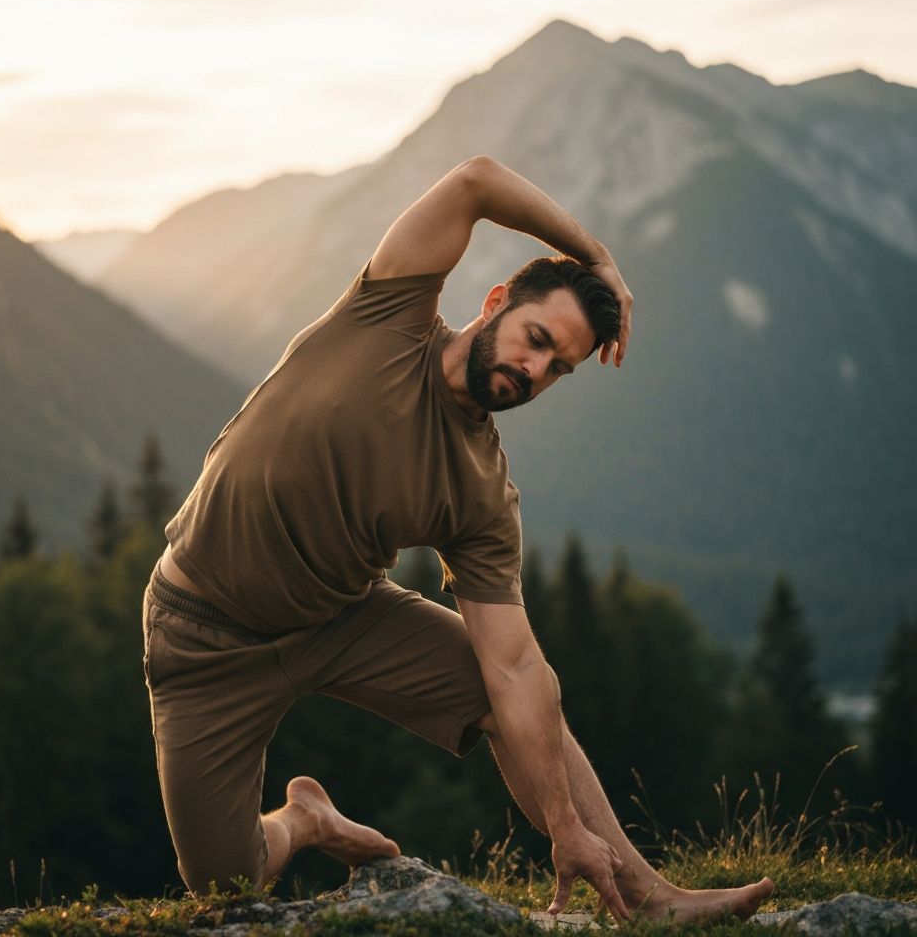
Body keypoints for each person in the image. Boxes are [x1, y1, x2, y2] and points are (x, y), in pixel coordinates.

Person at [142, 155, 774, 922]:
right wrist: (597, 254)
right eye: (535, 337)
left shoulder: (481, 492)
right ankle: (302, 820)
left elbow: (512, 664)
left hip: (342, 620)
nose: (533, 370)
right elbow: (475, 181)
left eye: (557, 367)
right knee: (222, 888)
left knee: (509, 696)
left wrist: (566, 826)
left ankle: (645, 896)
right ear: (497, 300)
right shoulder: (389, 314)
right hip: (203, 635)